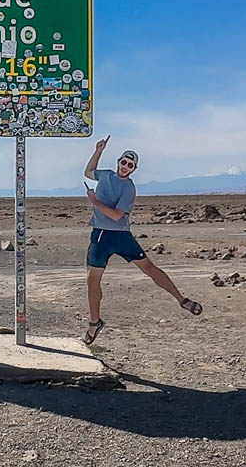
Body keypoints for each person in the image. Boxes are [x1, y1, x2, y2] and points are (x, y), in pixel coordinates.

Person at [82, 134, 202, 345]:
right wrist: (98, 150)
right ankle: (94, 322)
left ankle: (182, 300)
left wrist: (94, 201)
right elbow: (88, 172)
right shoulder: (106, 175)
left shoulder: (129, 188)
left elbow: (117, 215)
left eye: (130, 165)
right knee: (92, 280)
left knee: (150, 268)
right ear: (118, 162)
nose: (125, 166)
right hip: (100, 234)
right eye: (123, 162)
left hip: (119, 235)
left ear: (134, 169)